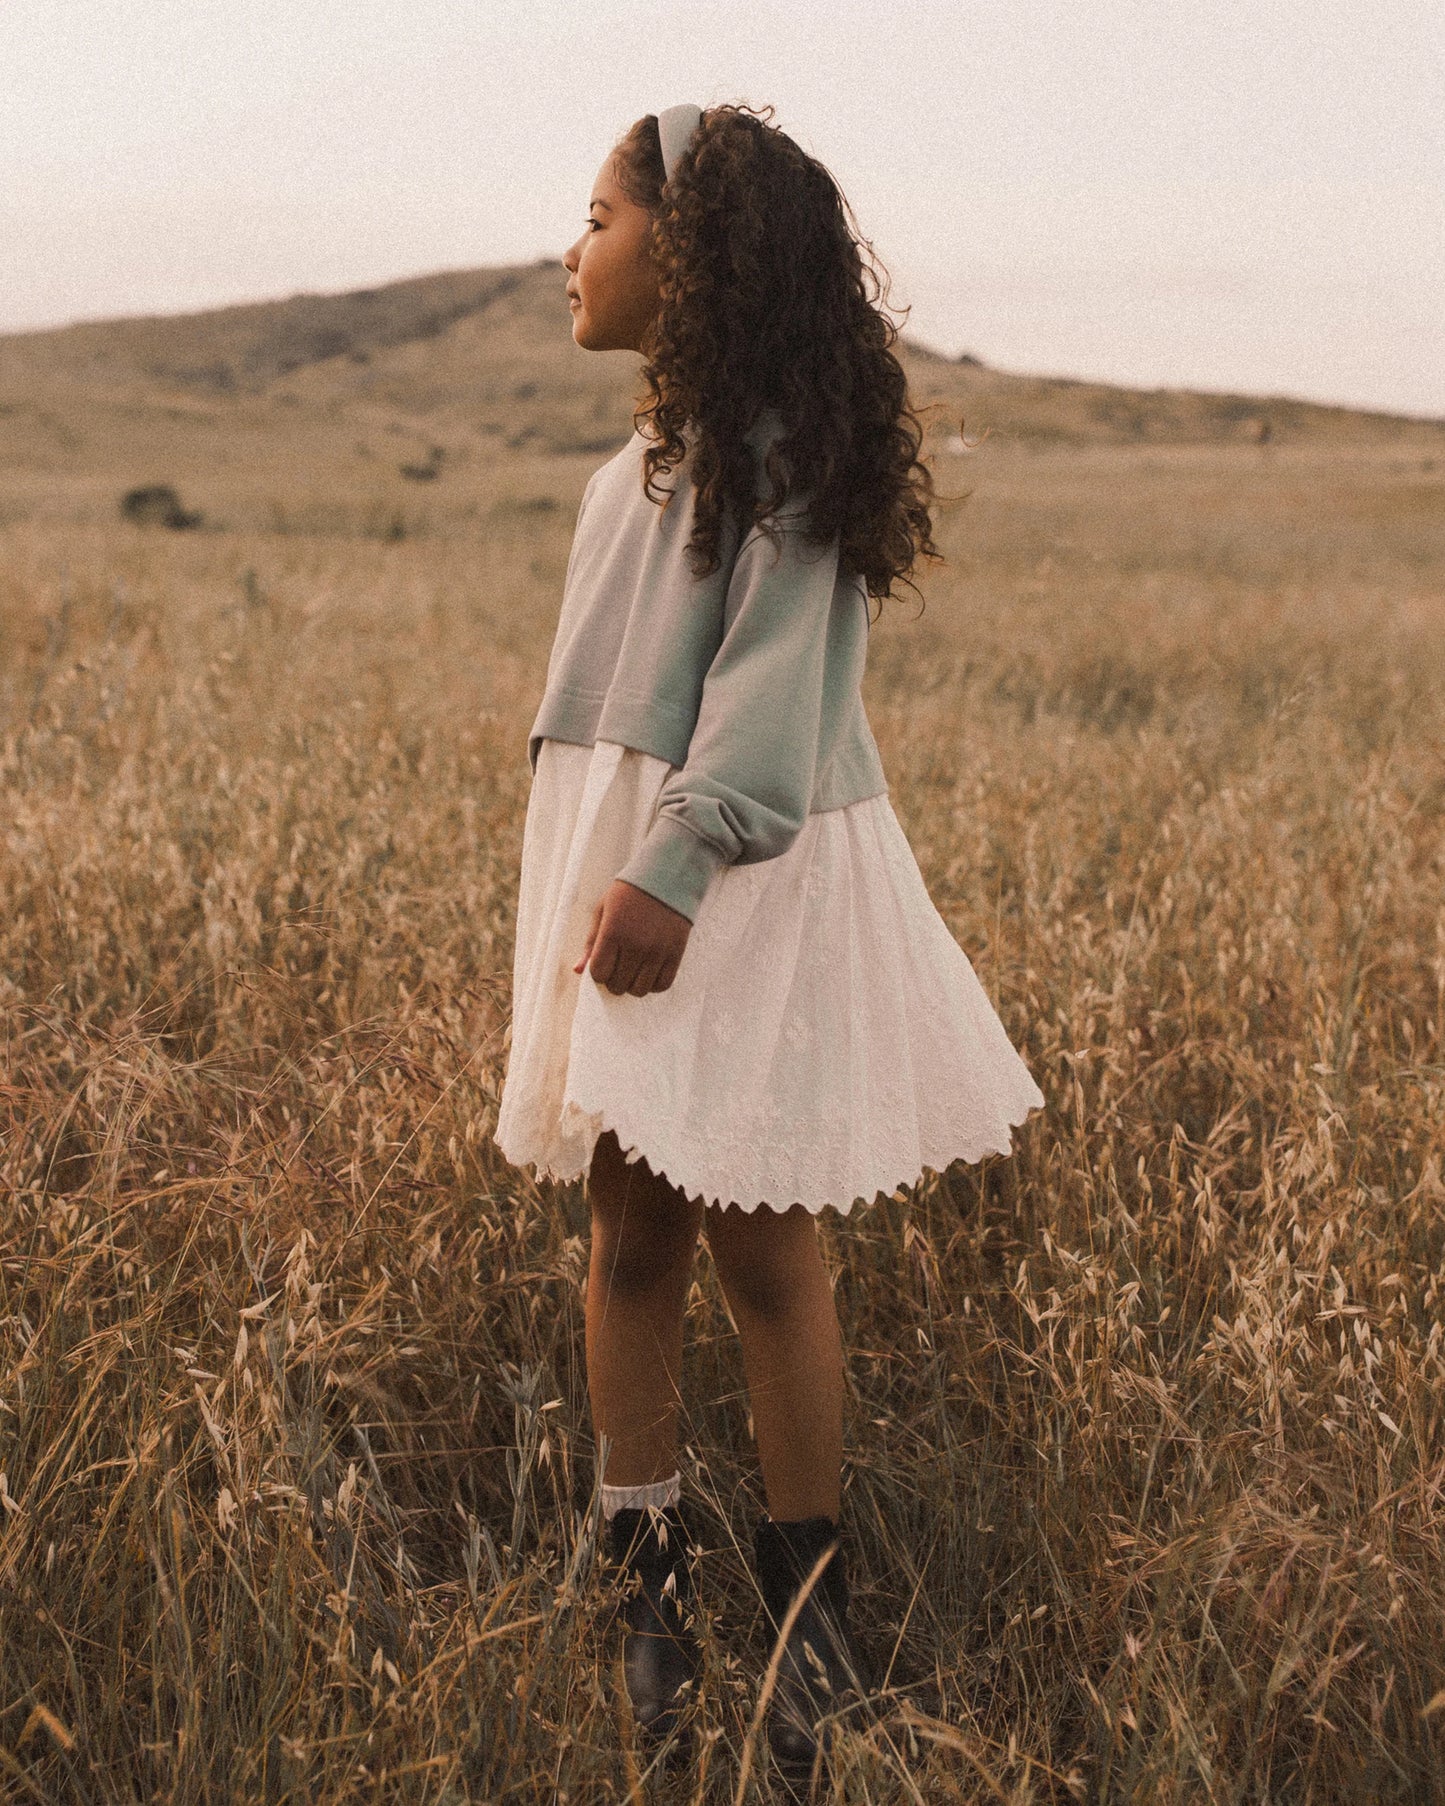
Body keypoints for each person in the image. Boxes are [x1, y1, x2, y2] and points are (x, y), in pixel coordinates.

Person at [492, 101, 1045, 1781]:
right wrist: (606, 864)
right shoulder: (619, 479)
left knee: (767, 1248)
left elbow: (760, 705)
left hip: (743, 868)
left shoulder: (783, 447)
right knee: (628, 1232)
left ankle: (809, 1612)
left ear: (688, 246)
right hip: (629, 863)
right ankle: (644, 1581)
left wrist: (671, 863)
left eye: (594, 215)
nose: (566, 251)